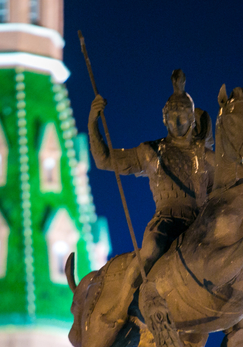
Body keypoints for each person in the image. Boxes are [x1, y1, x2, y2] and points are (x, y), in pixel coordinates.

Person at [88, 69, 214, 326]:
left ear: (192, 118)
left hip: (199, 226)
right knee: (150, 252)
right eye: (173, 116)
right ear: (165, 119)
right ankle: (121, 306)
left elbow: (232, 174)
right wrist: (93, 123)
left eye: (183, 116)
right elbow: (104, 160)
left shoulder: (205, 155)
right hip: (166, 222)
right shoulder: (151, 152)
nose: (178, 121)